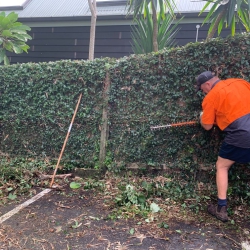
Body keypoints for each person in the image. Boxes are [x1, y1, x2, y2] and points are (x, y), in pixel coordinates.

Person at [196, 71, 250, 222]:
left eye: (202, 89)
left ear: (207, 84)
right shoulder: (239, 82)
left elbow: (207, 126)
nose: (203, 92)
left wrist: (202, 117)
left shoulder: (211, 97)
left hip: (242, 135)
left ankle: (221, 208)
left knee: (222, 166)